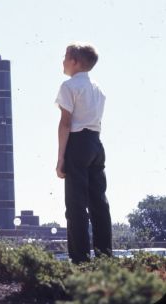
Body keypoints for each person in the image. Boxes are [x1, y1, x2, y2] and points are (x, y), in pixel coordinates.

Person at [55, 43, 112, 263]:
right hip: (96, 144)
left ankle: (80, 260)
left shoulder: (69, 86)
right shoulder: (98, 89)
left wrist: (61, 158)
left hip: (77, 143)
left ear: (75, 62)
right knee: (99, 202)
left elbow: (65, 123)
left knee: (76, 205)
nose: (62, 61)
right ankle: (104, 256)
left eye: (65, 57)